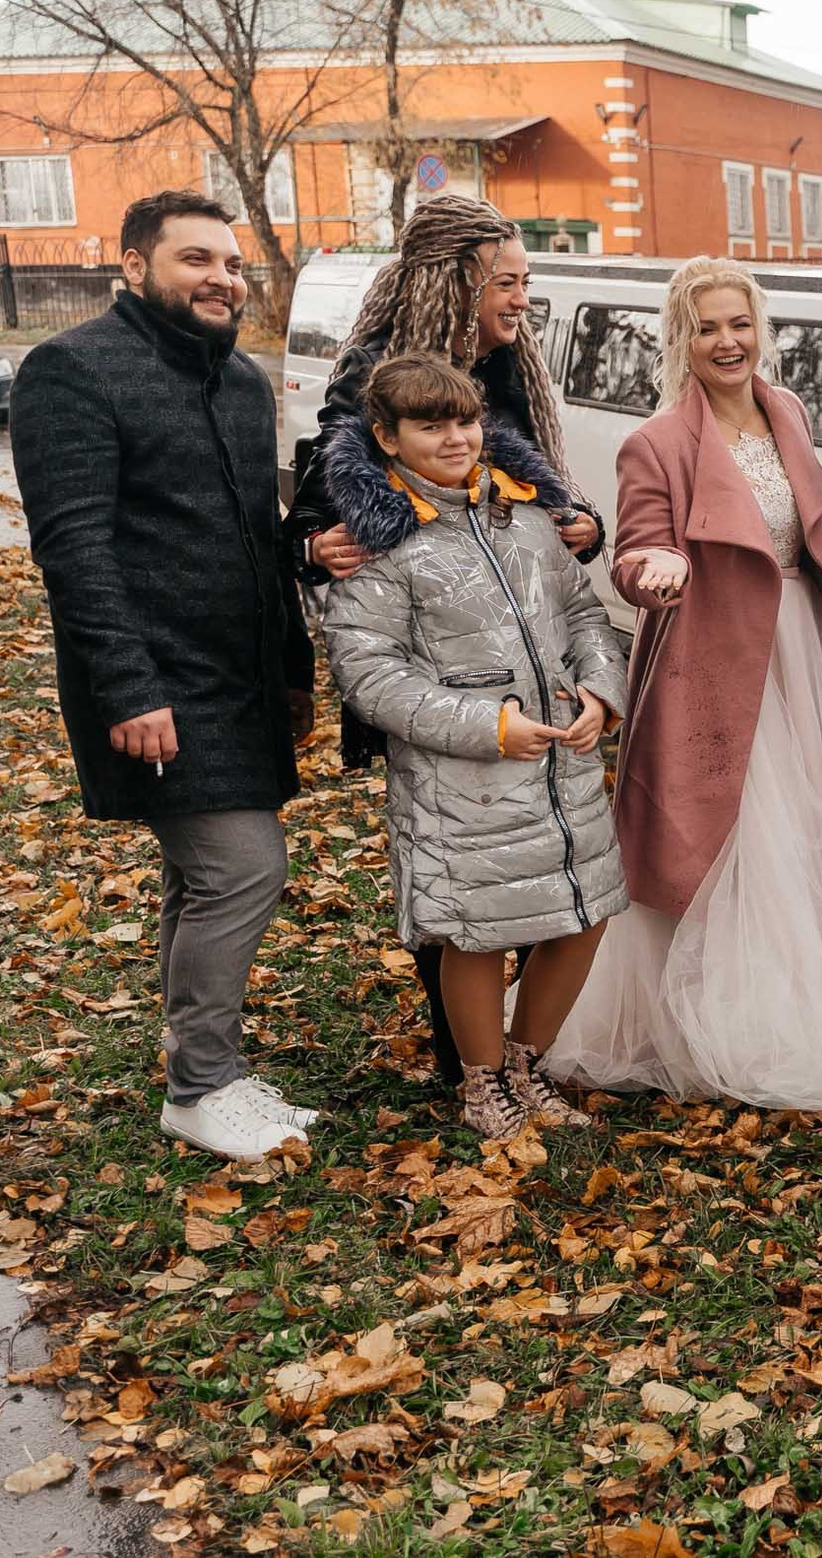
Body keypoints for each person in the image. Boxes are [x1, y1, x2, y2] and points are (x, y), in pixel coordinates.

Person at [549, 259, 822, 1114]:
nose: (728, 342)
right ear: (682, 338)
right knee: (732, 834)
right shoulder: (659, 442)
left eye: (740, 324)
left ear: (762, 329)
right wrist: (658, 567)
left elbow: (806, 525)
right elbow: (631, 553)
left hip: (801, 657)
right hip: (712, 664)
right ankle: (725, 1027)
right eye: (708, 327)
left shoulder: (786, 410)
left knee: (820, 829)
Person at [8, 190, 320, 1164]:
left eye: (231, 263)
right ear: (136, 266)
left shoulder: (237, 382)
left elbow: (260, 539)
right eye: (197, 259)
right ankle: (199, 1087)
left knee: (202, 872)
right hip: (156, 679)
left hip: (241, 676)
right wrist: (129, 686)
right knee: (241, 866)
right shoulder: (71, 369)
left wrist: (294, 673)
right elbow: (74, 547)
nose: (223, 277)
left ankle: (209, 1061)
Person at [283, 195, 602, 1086]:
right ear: (455, 282)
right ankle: (466, 1062)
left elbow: (545, 499)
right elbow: (317, 508)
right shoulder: (377, 383)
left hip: (525, 658)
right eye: (506, 281)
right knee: (457, 874)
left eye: (526, 280)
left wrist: (586, 527)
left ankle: (510, 1058)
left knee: (542, 864)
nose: (521, 298)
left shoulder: (507, 372)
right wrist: (315, 543)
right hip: (432, 662)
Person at [315, 354, 627, 1140]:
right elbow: (369, 672)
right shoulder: (380, 542)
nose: (455, 439)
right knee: (475, 927)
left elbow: (585, 615)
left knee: (583, 913)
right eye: (430, 425)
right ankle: (481, 1081)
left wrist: (600, 693)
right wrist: (486, 726)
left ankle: (529, 1062)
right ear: (386, 437)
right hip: (464, 778)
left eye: (464, 421)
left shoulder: (524, 516)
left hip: (564, 761)